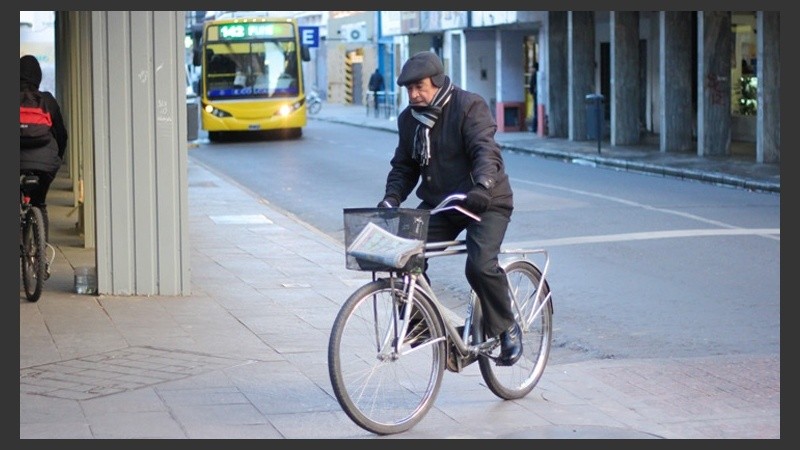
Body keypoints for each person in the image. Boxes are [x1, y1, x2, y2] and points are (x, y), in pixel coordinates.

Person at [376, 51, 522, 366]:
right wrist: (392, 198)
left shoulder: (469, 106)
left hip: (485, 201)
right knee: (403, 252)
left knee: (480, 265)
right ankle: (421, 324)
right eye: (409, 89)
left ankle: (507, 327)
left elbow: (485, 151)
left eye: (419, 87)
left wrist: (482, 186)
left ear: (438, 83)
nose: (414, 95)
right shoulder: (409, 120)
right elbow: (404, 166)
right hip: (443, 203)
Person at [20, 55, 68, 266]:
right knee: (39, 204)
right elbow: (62, 134)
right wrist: (58, 158)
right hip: (45, 164)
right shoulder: (47, 101)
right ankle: (41, 258)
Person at [529, 63, 538, 133]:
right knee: (536, 112)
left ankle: (534, 128)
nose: (530, 69)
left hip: (536, 96)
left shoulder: (534, 75)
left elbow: (531, 87)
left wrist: (531, 92)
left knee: (535, 111)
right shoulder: (537, 75)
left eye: (532, 68)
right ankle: (535, 127)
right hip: (537, 95)